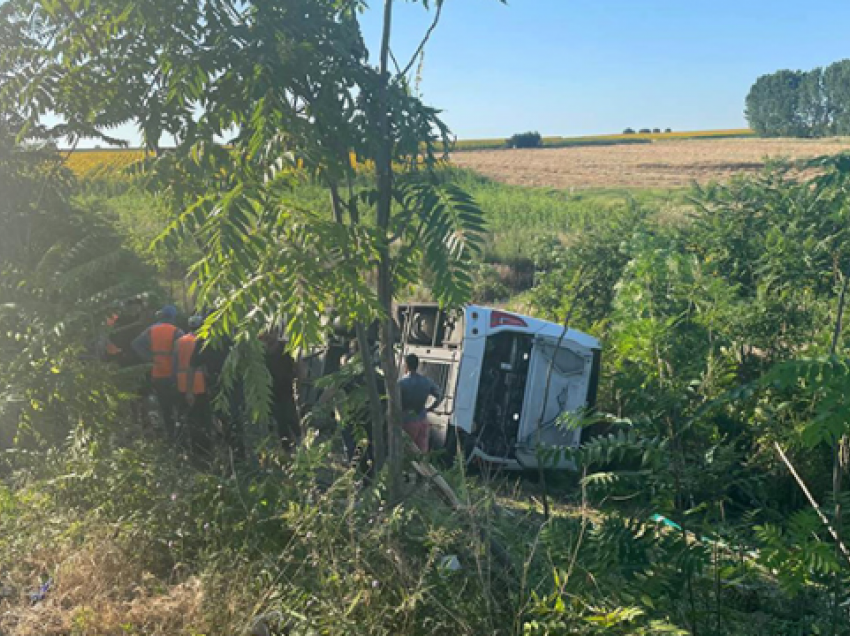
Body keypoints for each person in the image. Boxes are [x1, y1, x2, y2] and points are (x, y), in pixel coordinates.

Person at [132, 305, 184, 439]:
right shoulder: (176, 331)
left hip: (157, 373)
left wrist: (150, 359)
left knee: (165, 407)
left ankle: (169, 435)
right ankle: (179, 436)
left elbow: (136, 344)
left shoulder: (151, 330)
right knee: (178, 406)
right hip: (174, 375)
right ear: (172, 317)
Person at [176, 316, 212, 459]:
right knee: (204, 417)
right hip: (202, 384)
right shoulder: (204, 341)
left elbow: (175, 363)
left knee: (189, 417)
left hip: (183, 385)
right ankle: (206, 447)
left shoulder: (179, 342)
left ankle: (192, 448)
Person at [398, 353, 442, 453]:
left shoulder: (402, 383)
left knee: (407, 451)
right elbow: (439, 395)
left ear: (406, 365)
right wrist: (430, 408)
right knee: (421, 453)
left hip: (407, 420)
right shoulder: (426, 381)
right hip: (423, 420)